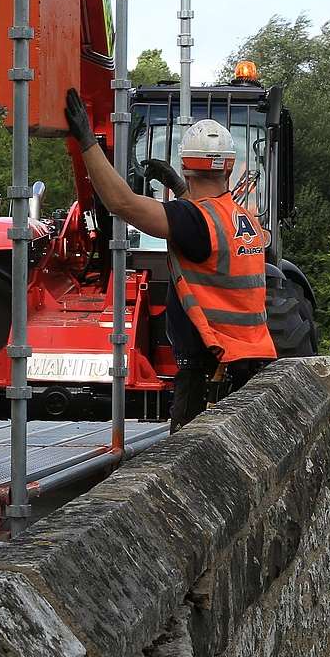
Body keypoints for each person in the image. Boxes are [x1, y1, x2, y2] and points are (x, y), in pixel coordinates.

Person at [64, 88, 276, 429]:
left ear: (185, 164)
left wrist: (87, 143)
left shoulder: (195, 222)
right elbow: (196, 218)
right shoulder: (240, 217)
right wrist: (178, 187)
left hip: (211, 368)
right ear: (231, 166)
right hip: (247, 357)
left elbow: (123, 204)